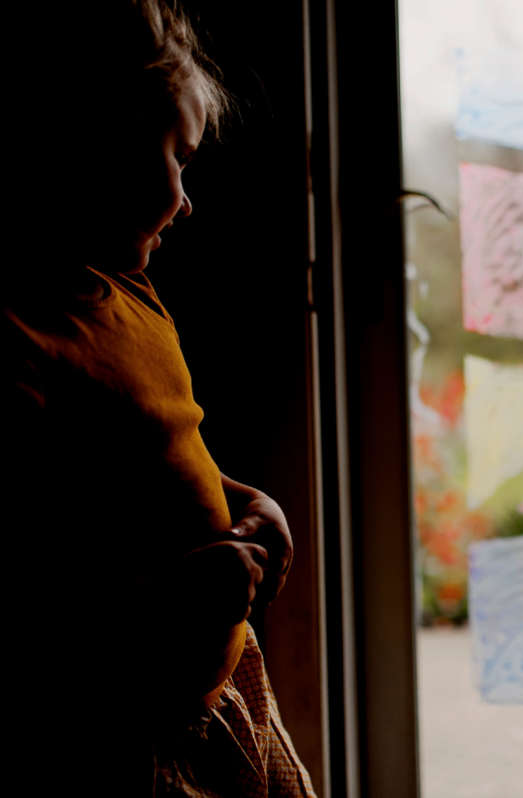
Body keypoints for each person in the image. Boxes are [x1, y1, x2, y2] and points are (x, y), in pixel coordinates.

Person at [1, 2, 315, 794]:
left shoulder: (129, 292)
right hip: (121, 736)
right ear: (81, 149)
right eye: (171, 157)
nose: (184, 197)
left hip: (225, 682)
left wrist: (239, 499)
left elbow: (155, 445)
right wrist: (162, 599)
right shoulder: (17, 342)